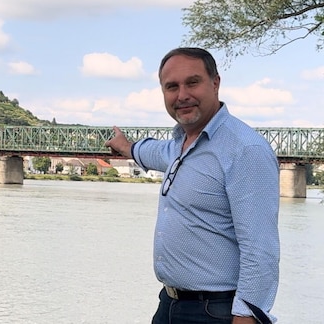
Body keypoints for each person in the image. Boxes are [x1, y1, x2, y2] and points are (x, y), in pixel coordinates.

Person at [105, 48, 280, 324]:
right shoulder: (178, 146)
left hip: (216, 312)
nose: (182, 95)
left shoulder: (245, 149)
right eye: (171, 87)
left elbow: (260, 250)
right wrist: (126, 147)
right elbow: (151, 152)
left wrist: (246, 317)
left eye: (192, 82)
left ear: (215, 83)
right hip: (170, 305)